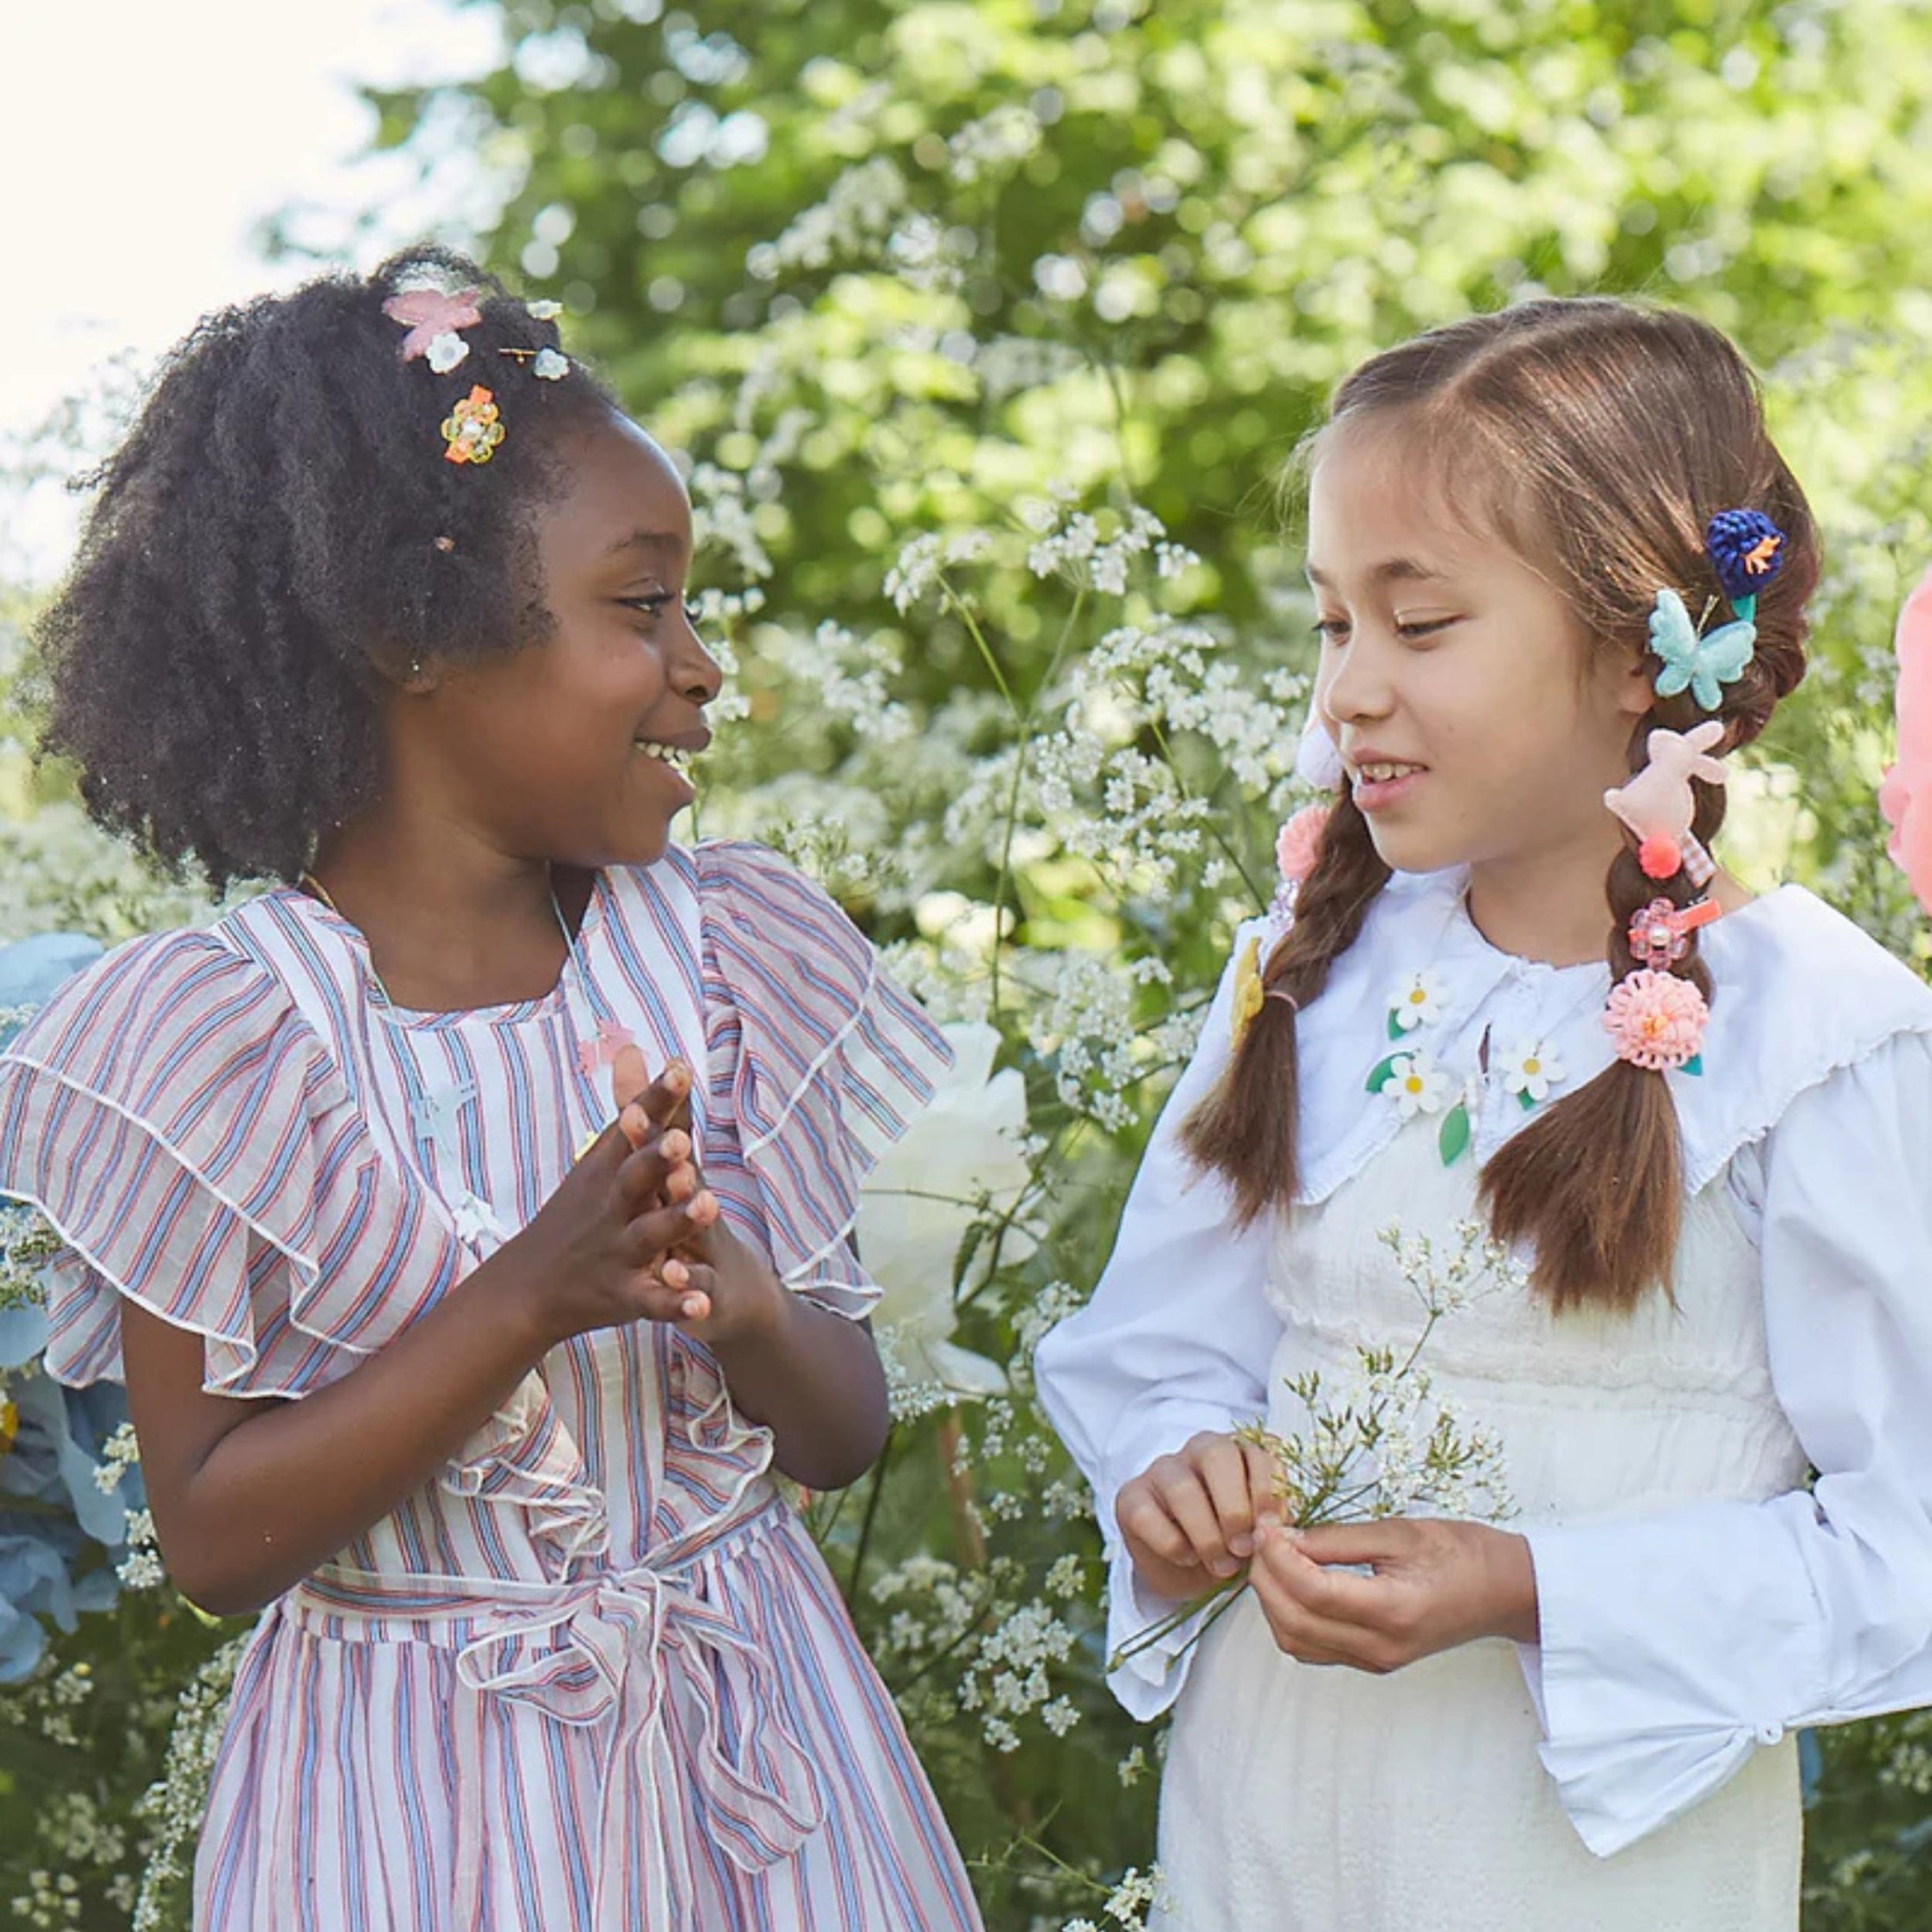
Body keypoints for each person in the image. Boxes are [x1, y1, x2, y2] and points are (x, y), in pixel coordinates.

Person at [0, 248, 984, 1930]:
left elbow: (843, 1432)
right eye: (641, 602)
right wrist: (529, 1295)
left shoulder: (722, 955)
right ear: (420, 636)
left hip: (765, 1781)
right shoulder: (217, 1042)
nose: (704, 665)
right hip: (411, 1818)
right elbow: (219, 1543)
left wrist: (736, 1301)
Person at [1034, 299, 1932, 1931]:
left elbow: (1909, 1548)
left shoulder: (1816, 1043)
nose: (1345, 699)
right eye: (1329, 627)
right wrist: (1172, 1477)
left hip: (1586, 1868)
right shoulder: (1303, 980)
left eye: (1420, 625)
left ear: (1632, 647)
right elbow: (1156, 1351)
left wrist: (1537, 1589)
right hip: (1273, 1821)